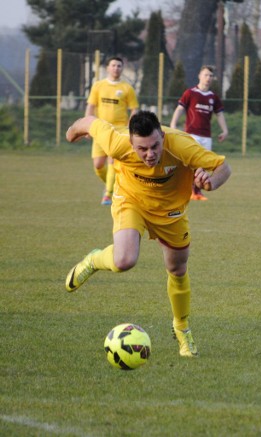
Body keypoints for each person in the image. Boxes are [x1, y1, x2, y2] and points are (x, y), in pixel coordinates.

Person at [64, 110, 232, 357]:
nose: (150, 154)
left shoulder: (182, 146)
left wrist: (210, 182)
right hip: (131, 201)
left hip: (171, 211)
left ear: (163, 136)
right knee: (124, 260)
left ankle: (182, 328)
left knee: (177, 269)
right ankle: (94, 259)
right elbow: (89, 122)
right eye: (142, 149)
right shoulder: (116, 142)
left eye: (155, 146)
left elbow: (223, 168)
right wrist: (71, 133)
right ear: (131, 143)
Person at [86, 56, 139, 206]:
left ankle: (108, 195)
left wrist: (130, 127)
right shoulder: (98, 86)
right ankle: (114, 185)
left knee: (112, 160)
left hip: (119, 131)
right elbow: (90, 106)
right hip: (100, 129)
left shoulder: (127, 88)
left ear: (122, 69)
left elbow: (134, 109)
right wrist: (87, 125)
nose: (116, 68)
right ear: (108, 68)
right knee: (98, 165)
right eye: (113, 65)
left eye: (119, 66)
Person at [170, 65, 228, 201]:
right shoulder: (190, 93)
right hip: (191, 134)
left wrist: (225, 130)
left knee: (203, 165)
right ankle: (188, 190)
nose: (208, 78)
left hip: (206, 136)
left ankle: (197, 192)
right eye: (206, 75)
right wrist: (173, 124)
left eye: (211, 76)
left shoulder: (213, 97)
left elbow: (219, 115)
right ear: (199, 76)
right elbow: (179, 109)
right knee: (190, 164)